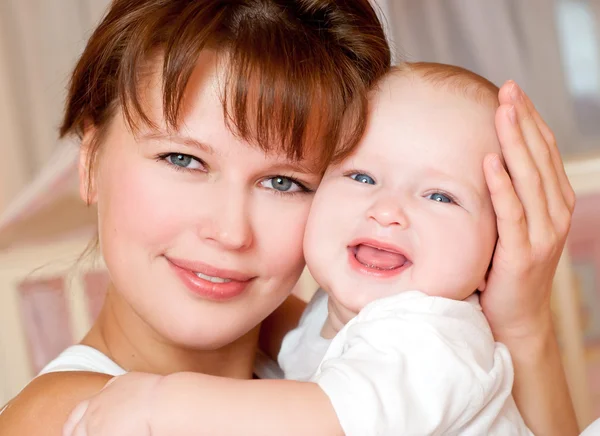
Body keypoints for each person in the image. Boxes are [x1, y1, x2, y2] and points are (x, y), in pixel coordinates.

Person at [0, 1, 578, 435]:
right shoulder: (74, 419)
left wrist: (523, 324)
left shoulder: (325, 340)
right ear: (92, 161)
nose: (229, 232)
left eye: (284, 182)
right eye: (183, 159)